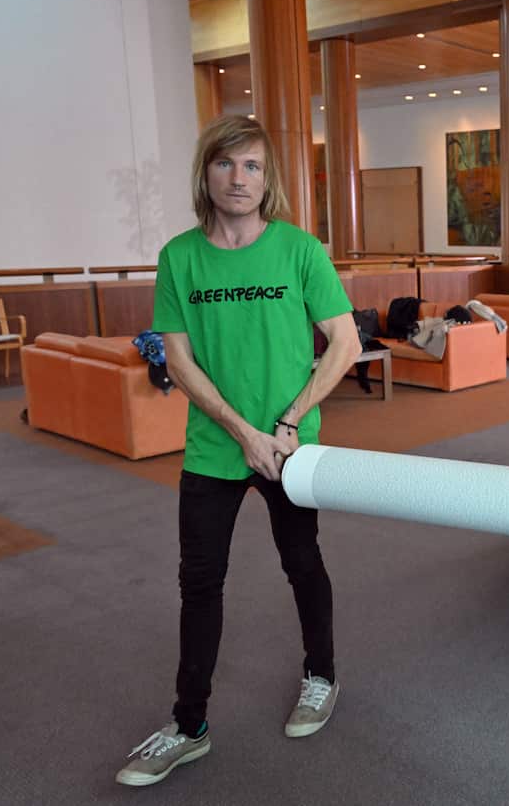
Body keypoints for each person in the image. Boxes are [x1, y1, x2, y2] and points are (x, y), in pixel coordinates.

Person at [116, 115, 360, 787]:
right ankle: (188, 725)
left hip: (289, 449)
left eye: (253, 166)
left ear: (268, 177)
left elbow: (344, 343)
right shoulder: (180, 258)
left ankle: (322, 675)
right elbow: (180, 359)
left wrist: (288, 420)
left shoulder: (299, 251)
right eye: (227, 165)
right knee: (199, 584)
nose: (240, 179)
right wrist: (240, 431)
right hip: (214, 450)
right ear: (207, 174)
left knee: (302, 561)